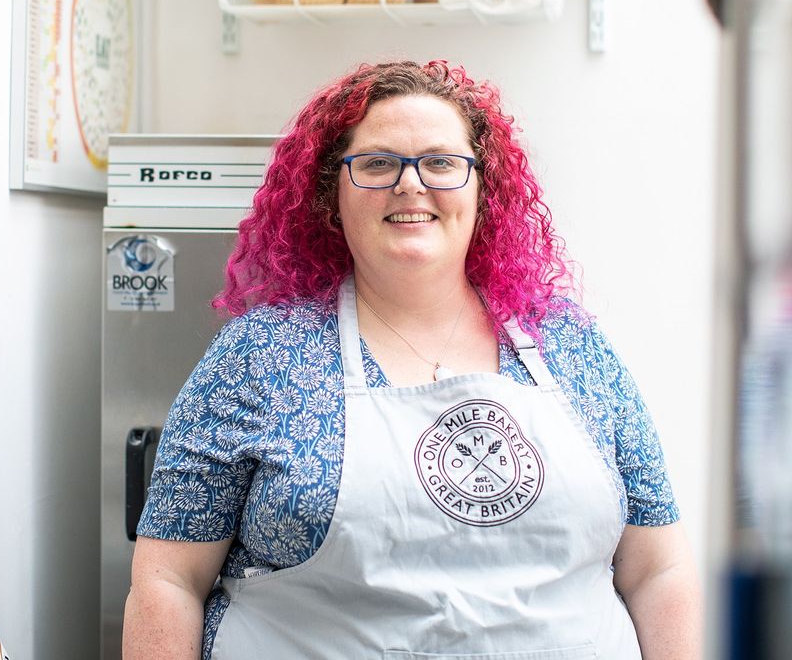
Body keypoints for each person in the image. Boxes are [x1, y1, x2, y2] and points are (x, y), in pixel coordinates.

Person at [123, 60, 702, 659]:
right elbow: (168, 581)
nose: (410, 184)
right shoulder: (259, 356)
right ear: (331, 192)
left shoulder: (570, 345)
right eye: (376, 163)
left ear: (484, 187)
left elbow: (657, 570)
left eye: (441, 162)